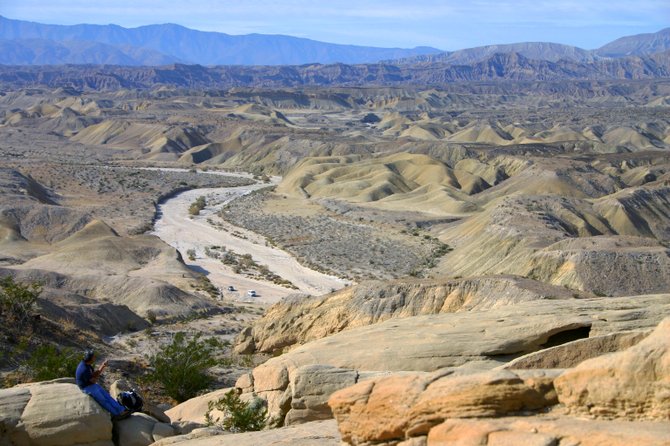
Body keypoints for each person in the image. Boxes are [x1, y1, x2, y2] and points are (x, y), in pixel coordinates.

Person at [75, 350, 129, 420]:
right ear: (89, 358)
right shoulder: (84, 369)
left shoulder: (87, 365)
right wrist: (97, 376)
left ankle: (121, 410)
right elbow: (93, 380)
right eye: (93, 356)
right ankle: (116, 414)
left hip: (91, 385)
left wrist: (102, 366)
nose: (95, 357)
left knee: (107, 396)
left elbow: (94, 375)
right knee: (103, 400)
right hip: (86, 387)